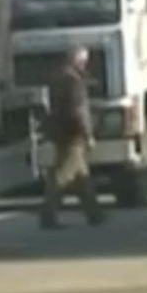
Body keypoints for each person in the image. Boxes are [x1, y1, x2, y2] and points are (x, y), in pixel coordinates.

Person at [39, 46, 105, 229]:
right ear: (77, 61)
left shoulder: (57, 79)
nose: (85, 66)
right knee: (62, 177)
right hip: (73, 135)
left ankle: (95, 214)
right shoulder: (74, 82)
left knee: (82, 178)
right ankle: (47, 215)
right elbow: (79, 111)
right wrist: (88, 135)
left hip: (61, 133)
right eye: (83, 62)